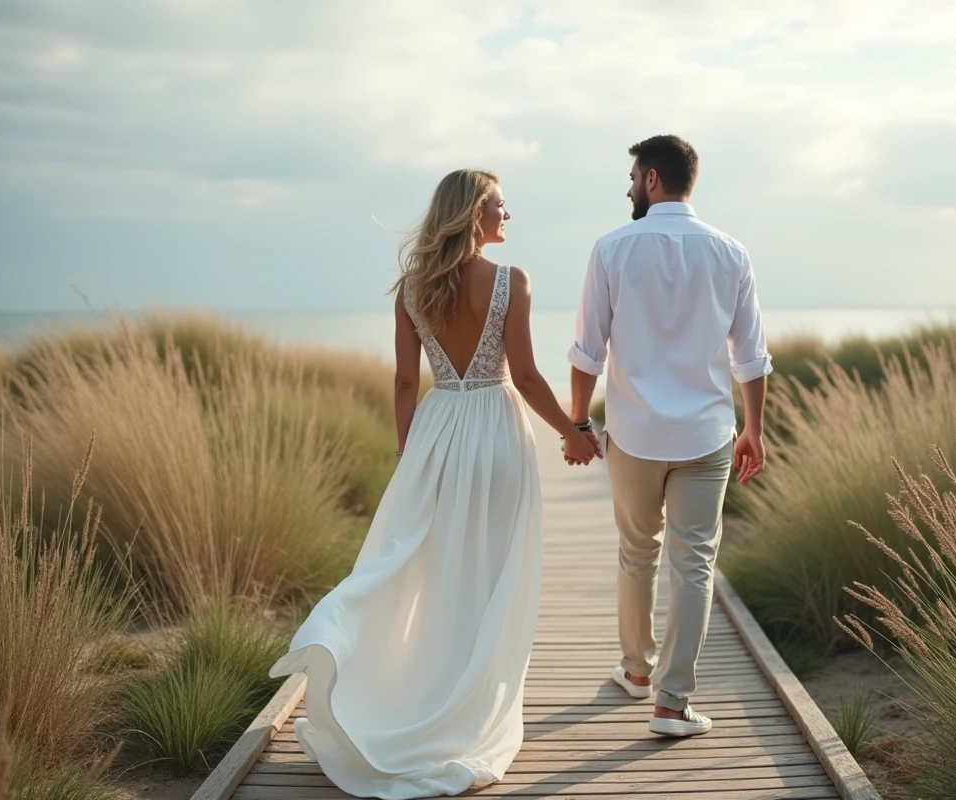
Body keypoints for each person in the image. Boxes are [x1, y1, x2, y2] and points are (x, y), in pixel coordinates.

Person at [269, 169, 599, 799]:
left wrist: (406, 453)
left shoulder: (412, 289)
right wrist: (574, 431)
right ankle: (465, 710)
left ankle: (399, 682)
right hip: (498, 431)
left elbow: (403, 381)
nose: (507, 214)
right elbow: (527, 375)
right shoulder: (512, 280)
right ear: (474, 212)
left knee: (436, 570)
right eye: (499, 205)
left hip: (438, 430)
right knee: (491, 576)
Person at [566, 134, 773, 737]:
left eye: (633, 177)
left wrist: (579, 422)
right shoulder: (731, 252)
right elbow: (750, 357)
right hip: (706, 434)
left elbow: (587, 352)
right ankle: (672, 703)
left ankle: (637, 671)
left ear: (651, 179)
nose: (629, 188)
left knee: (637, 552)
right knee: (694, 564)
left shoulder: (611, 248)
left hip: (633, 433)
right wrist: (755, 430)